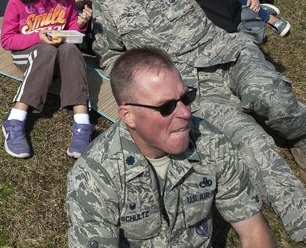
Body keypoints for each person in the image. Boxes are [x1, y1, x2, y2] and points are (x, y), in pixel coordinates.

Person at [91, 0, 306, 248]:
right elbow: (111, 55)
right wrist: (146, 89)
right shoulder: (107, 2)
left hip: (229, 54)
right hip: (194, 88)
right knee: (251, 142)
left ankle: (300, 136)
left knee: (274, 100)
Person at [66, 47, 275, 248]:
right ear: (128, 115)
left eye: (186, 98)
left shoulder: (211, 143)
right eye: (166, 107)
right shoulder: (95, 177)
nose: (185, 113)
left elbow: (253, 230)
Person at [0, 0, 93, 159]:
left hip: (58, 54)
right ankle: (15, 120)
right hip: (29, 53)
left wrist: (80, 25)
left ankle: (82, 125)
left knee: (70, 51)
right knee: (45, 51)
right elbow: (6, 39)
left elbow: (70, 30)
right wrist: (37, 37)